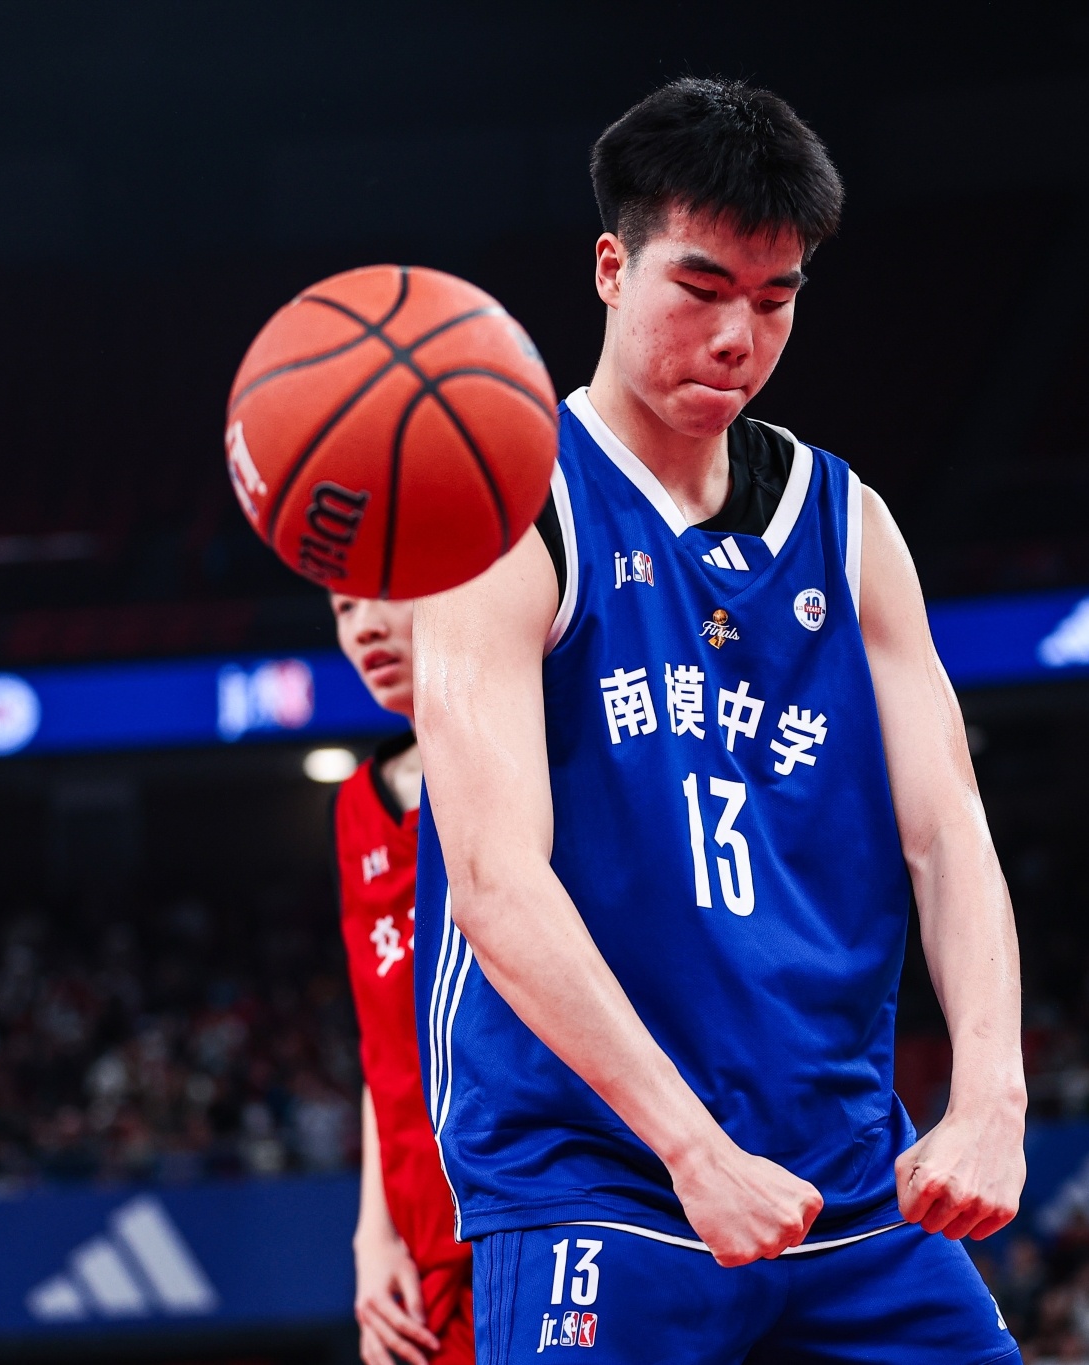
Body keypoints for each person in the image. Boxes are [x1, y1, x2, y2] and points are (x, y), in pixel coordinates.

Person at [411, 77, 1026, 1362]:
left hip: (840, 1177)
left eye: (773, 298)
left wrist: (990, 1100)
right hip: (599, 1174)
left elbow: (947, 834)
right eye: (699, 289)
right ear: (610, 269)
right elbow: (492, 882)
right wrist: (691, 1151)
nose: (737, 336)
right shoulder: (510, 518)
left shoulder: (847, 525)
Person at [331, 593, 470, 1365]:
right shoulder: (355, 804)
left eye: (384, 598)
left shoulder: (539, 749)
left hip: (542, 1210)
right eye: (343, 608)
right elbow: (383, 1046)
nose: (364, 628)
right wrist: (372, 1237)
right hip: (422, 1261)